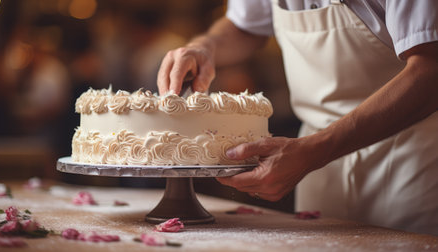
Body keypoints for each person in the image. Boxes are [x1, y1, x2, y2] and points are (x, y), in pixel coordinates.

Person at [156, 0, 438, 235]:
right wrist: (207, 46)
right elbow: (244, 26)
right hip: (315, 166)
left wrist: (317, 149)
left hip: (408, 160)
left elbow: (430, 70)